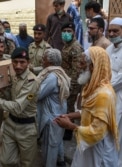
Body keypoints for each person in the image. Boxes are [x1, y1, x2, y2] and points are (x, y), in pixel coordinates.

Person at [55, 46, 119, 167]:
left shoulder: (103, 94)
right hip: (87, 143)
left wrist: (70, 126)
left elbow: (97, 132)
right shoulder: (93, 87)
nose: (79, 67)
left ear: (93, 66)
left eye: (83, 63)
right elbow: (90, 110)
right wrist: (70, 115)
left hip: (97, 148)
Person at [0, 47, 38, 167]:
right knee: (6, 161)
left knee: (27, 163)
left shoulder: (32, 82)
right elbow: (12, 97)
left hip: (26, 128)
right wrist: (1, 90)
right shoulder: (15, 76)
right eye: (15, 62)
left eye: (22, 62)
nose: (18, 66)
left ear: (28, 63)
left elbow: (17, 107)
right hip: (10, 124)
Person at [37, 48, 70, 167]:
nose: (42, 61)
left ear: (50, 62)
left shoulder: (51, 77)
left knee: (50, 146)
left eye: (44, 59)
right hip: (59, 113)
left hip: (51, 117)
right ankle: (61, 161)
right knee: (57, 140)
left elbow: (38, 95)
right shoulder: (60, 72)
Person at [60, 22, 83, 140]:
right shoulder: (66, 45)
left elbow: (77, 69)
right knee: (66, 105)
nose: (66, 33)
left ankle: (69, 130)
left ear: (74, 32)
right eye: (64, 31)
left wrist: (72, 85)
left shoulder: (75, 47)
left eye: (69, 31)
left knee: (69, 106)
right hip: (66, 80)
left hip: (72, 82)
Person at [106, 17, 122, 167]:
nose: (111, 33)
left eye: (115, 31)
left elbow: (120, 78)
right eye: (109, 31)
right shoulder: (109, 49)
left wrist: (104, 87)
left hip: (119, 96)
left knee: (118, 133)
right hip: (107, 96)